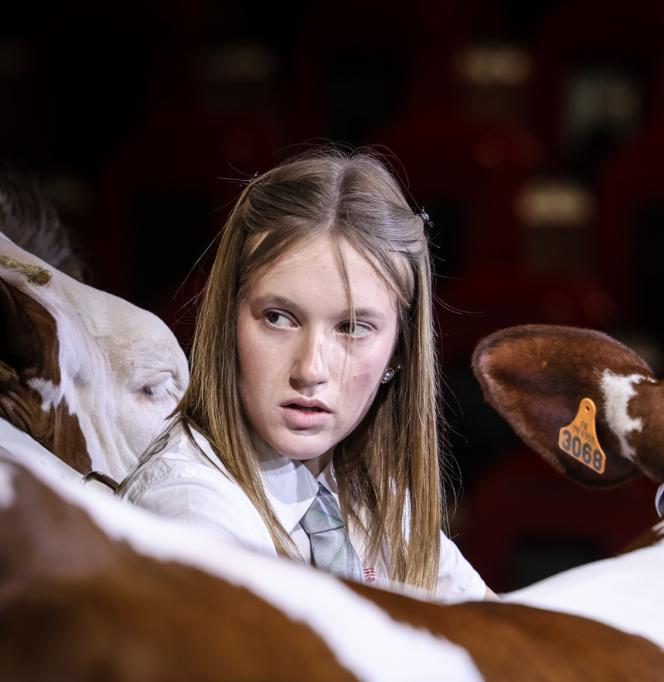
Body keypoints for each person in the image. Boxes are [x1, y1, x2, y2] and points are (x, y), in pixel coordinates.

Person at [120, 149, 492, 601]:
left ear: (399, 350)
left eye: (353, 328)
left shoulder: (373, 495)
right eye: (278, 318)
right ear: (227, 323)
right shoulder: (188, 509)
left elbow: (503, 639)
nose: (310, 370)